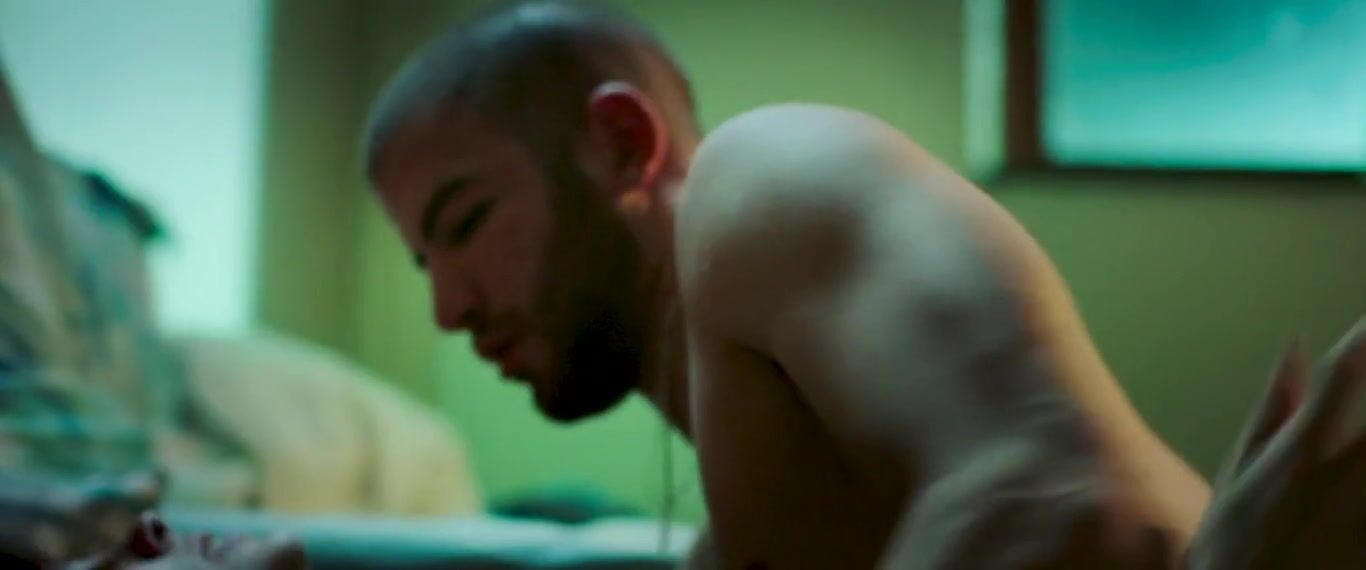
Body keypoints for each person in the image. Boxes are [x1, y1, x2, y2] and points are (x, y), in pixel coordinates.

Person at [362, 1, 1366, 567]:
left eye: (465, 223)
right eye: (424, 263)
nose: (448, 309)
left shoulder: (760, 176)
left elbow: (1052, 507)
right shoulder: (733, 533)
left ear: (622, 144)